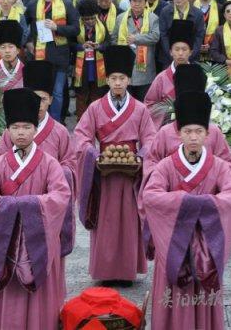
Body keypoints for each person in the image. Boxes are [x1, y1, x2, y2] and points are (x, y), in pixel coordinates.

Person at [140, 88, 231, 330]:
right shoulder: (166, 166)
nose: (194, 137)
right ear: (179, 133)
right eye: (188, 131)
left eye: (199, 131)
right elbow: (151, 196)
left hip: (206, 246)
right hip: (173, 242)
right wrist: (190, 204)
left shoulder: (219, 166)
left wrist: (199, 207)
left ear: (208, 134)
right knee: (172, 291)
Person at [0, 88, 71, 330]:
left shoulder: (49, 163)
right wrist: (9, 207)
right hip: (7, 239)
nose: (21, 132)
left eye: (27, 127)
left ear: (35, 130)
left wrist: (27, 207)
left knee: (40, 293)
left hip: (39, 239)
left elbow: (61, 195)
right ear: (8, 130)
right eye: (16, 127)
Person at [74, 45, 156, 287]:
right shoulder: (95, 107)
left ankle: (127, 270)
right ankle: (105, 270)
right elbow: (81, 136)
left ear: (129, 79)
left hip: (130, 172)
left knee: (130, 222)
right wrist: (93, 155)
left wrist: (140, 156)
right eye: (113, 78)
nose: (118, 83)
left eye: (122, 78)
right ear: (106, 79)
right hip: (104, 172)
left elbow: (151, 139)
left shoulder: (140, 109)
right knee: (106, 222)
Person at [25, 0, 79, 121]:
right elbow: (25, 25)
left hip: (60, 55)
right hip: (40, 56)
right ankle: (41, 120)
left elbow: (76, 29)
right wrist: (28, 42)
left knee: (57, 93)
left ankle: (55, 121)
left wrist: (57, 28)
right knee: (41, 92)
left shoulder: (67, 4)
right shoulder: (33, 4)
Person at [144, 20, 196, 128]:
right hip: (167, 130)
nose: (180, 53)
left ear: (191, 52)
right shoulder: (161, 78)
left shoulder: (199, 76)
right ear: (171, 52)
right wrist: (169, 112)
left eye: (184, 49)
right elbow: (149, 104)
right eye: (177, 49)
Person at [112, 0, 160, 101]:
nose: (137, 4)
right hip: (125, 61)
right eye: (134, 1)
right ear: (130, 2)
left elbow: (155, 37)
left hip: (144, 65)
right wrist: (122, 47)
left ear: (145, 3)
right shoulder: (121, 18)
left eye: (140, 1)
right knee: (126, 100)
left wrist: (136, 39)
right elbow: (114, 38)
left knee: (143, 100)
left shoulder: (153, 18)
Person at [73, 0, 110, 120]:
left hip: (97, 65)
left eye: (92, 18)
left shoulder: (102, 25)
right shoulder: (76, 26)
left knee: (97, 93)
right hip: (81, 65)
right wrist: (80, 46)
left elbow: (109, 43)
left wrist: (99, 46)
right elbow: (69, 44)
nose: (90, 21)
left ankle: (96, 119)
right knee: (81, 94)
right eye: (86, 19)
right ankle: (81, 120)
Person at [158, 0, 205, 65]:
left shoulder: (198, 14)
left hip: (191, 58)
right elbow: (163, 35)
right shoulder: (165, 11)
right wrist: (171, 54)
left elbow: (199, 36)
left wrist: (189, 55)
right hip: (169, 58)